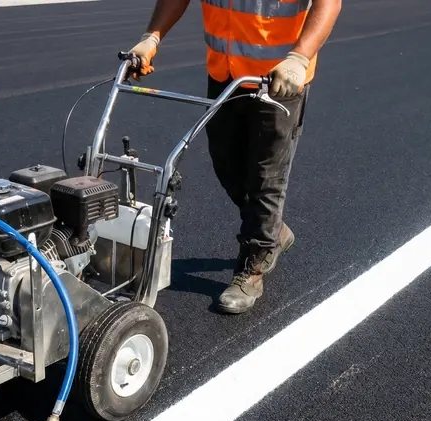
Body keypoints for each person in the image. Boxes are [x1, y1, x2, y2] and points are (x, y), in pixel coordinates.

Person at [128, 0, 342, 314]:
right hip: (225, 73)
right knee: (225, 163)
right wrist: (152, 37)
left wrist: (299, 57)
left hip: (279, 79)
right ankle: (272, 230)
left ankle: (254, 266)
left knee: (266, 176)